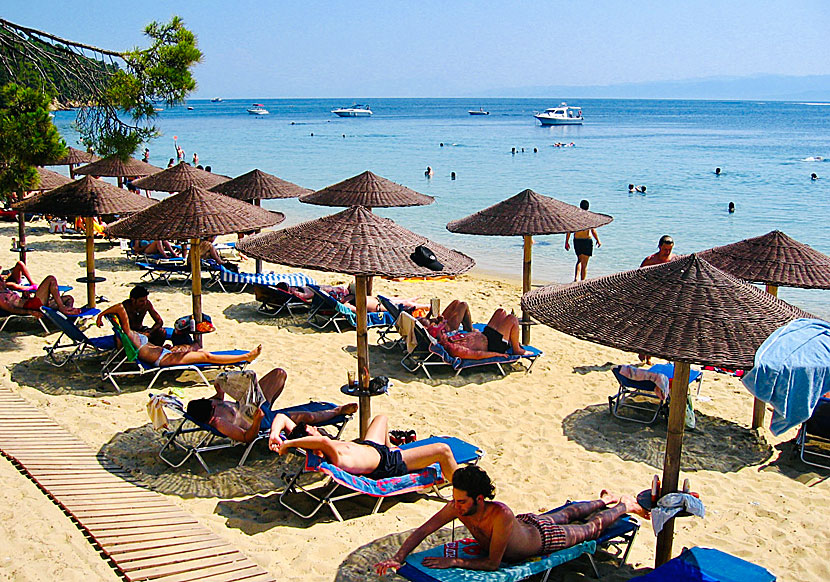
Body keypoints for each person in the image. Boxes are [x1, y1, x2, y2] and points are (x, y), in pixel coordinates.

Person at [374, 466, 649, 574]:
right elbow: (424, 529)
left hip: (542, 540)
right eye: (455, 500)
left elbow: (494, 563)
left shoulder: (499, 514)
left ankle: (624, 505)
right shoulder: (459, 507)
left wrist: (455, 561)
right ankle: (604, 499)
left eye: (461, 501)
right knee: (567, 512)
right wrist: (399, 557)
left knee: (589, 527)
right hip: (525, 524)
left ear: (479, 499)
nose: (456, 506)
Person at [185, 368, 358, 443]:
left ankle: (265, 403)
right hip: (261, 421)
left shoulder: (212, 403)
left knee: (279, 374)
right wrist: (258, 421)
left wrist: (220, 388)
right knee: (307, 416)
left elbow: (218, 398)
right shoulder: (219, 422)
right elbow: (246, 438)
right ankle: (337, 411)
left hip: (251, 406)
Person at [269, 413, 458, 480]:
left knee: (381, 418)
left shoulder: (313, 442)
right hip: (386, 464)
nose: (317, 429)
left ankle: (393, 446)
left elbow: (282, 418)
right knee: (443, 450)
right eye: (313, 430)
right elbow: (322, 441)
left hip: (374, 447)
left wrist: (275, 435)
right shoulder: (330, 453)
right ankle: (463, 489)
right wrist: (288, 444)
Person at [99, 302, 261, 367]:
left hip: (164, 352)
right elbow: (120, 307)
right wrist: (100, 315)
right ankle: (245, 356)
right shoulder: (128, 333)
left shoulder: (130, 335)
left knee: (196, 348)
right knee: (205, 356)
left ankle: (242, 357)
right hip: (163, 359)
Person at [433, 309, 531, 359]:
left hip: (486, 335)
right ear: (440, 339)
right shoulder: (454, 349)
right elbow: (477, 355)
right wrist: (497, 354)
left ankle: (510, 337)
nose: (444, 332)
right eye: (442, 332)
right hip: (494, 345)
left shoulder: (449, 339)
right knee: (512, 319)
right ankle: (517, 349)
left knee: (501, 312)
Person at [96, 285, 163, 342]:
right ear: (133, 299)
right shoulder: (125, 306)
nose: (144, 303)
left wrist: (149, 332)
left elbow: (159, 321)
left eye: (145, 300)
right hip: (128, 333)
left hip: (141, 330)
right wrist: (100, 317)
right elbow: (110, 310)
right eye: (141, 301)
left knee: (161, 332)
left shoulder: (147, 304)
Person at [0, 272, 80, 317]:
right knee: (50, 279)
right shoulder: (1, 297)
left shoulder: (6, 290)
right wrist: (30, 312)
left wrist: (25, 296)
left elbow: (17, 301)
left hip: (32, 302)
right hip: (33, 306)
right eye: (2, 280)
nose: (4, 281)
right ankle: (62, 308)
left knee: (69, 298)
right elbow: (12, 309)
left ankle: (68, 313)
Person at [564, 200, 602, 281]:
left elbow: (569, 230)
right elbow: (593, 230)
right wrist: (598, 240)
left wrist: (566, 242)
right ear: (588, 207)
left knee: (579, 260)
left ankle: (576, 278)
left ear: (580, 206)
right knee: (585, 264)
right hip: (587, 240)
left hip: (577, 240)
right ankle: (582, 281)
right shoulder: (589, 217)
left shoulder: (575, 217)